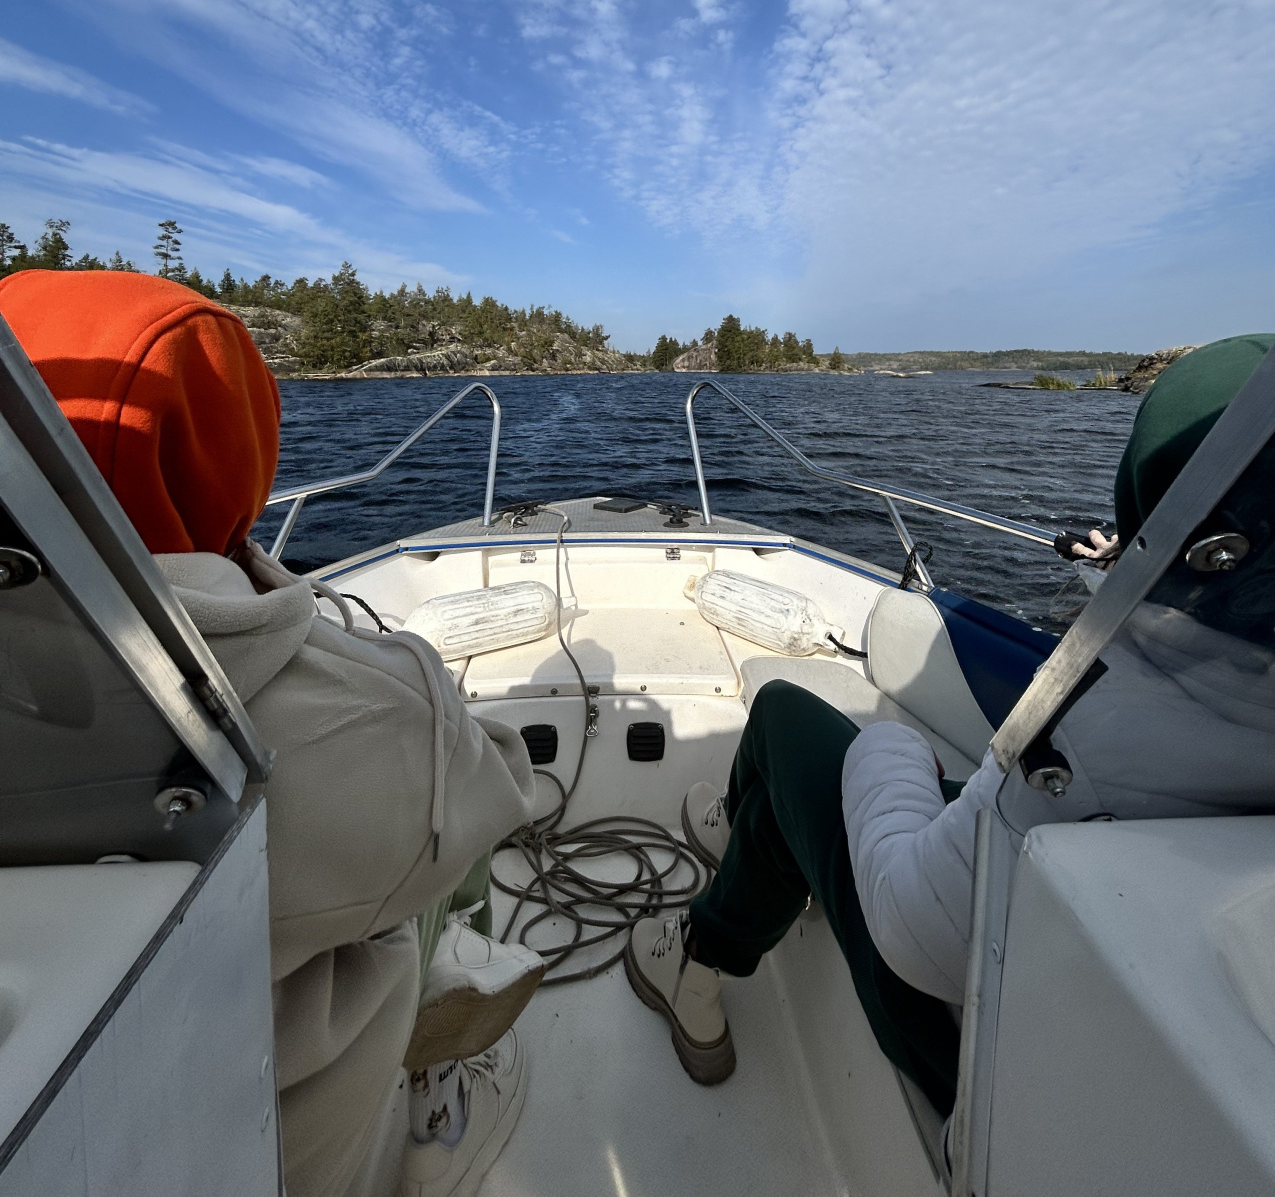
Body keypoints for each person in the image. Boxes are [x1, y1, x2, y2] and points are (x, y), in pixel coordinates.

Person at [625, 332, 1275, 1120]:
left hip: (966, 1038)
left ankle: (698, 964)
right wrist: (1126, 572)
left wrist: (887, 747)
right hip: (1061, 998)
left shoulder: (1104, 735)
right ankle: (752, 849)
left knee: (780, 714)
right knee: (793, 803)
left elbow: (914, 927)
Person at [0, 270, 542, 1197]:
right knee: (442, 849)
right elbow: (497, 790)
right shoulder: (363, 718)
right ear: (229, 454)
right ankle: (439, 1102)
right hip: (280, 1149)